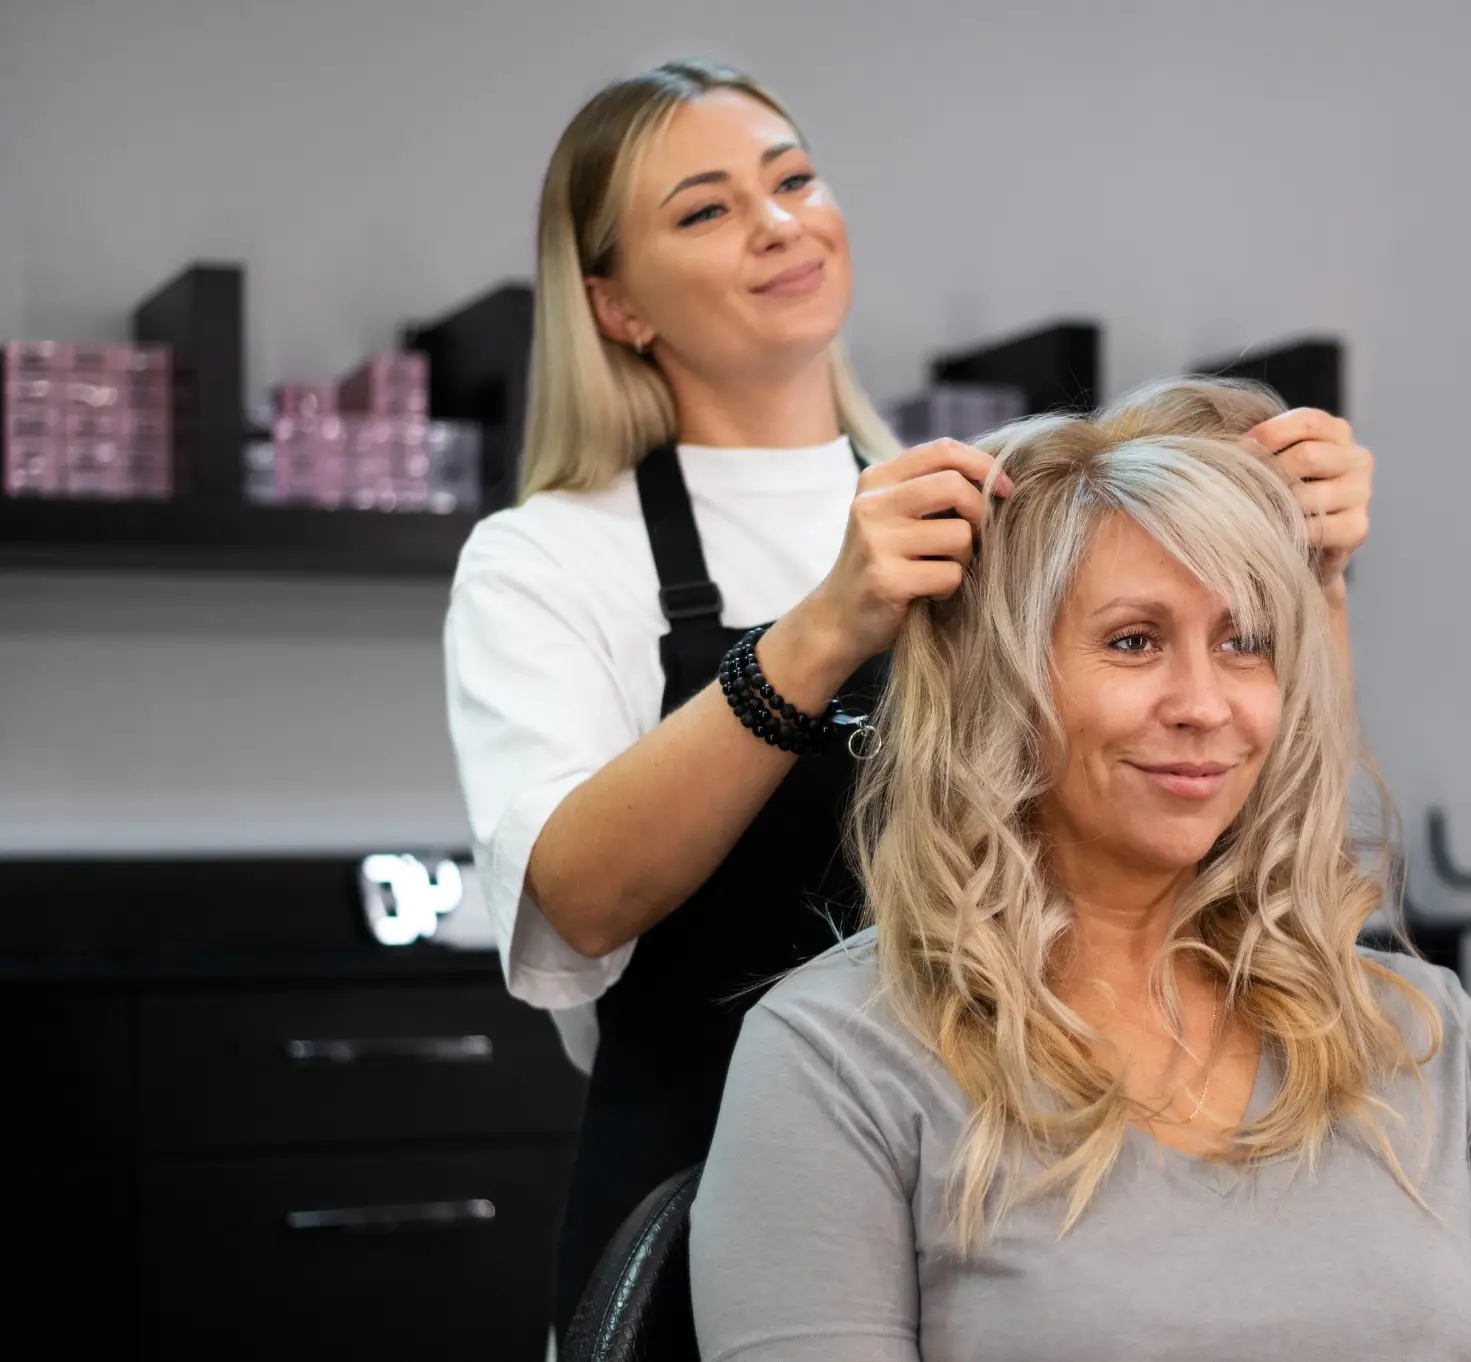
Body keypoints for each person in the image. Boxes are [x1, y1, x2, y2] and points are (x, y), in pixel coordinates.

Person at [442, 59, 1378, 1342]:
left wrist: (1305, 575)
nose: (777, 222)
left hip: (1004, 1196)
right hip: (701, 1206)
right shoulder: (547, 557)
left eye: (792, 180)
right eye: (705, 210)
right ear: (614, 305)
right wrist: (821, 631)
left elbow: (1242, 809)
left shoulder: (997, 504)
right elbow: (573, 902)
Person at [689, 379, 1471, 1362]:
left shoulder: (1420, 1036)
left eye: (1243, 643)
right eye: (1133, 642)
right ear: (999, 685)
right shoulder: (838, 1060)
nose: (1204, 703)